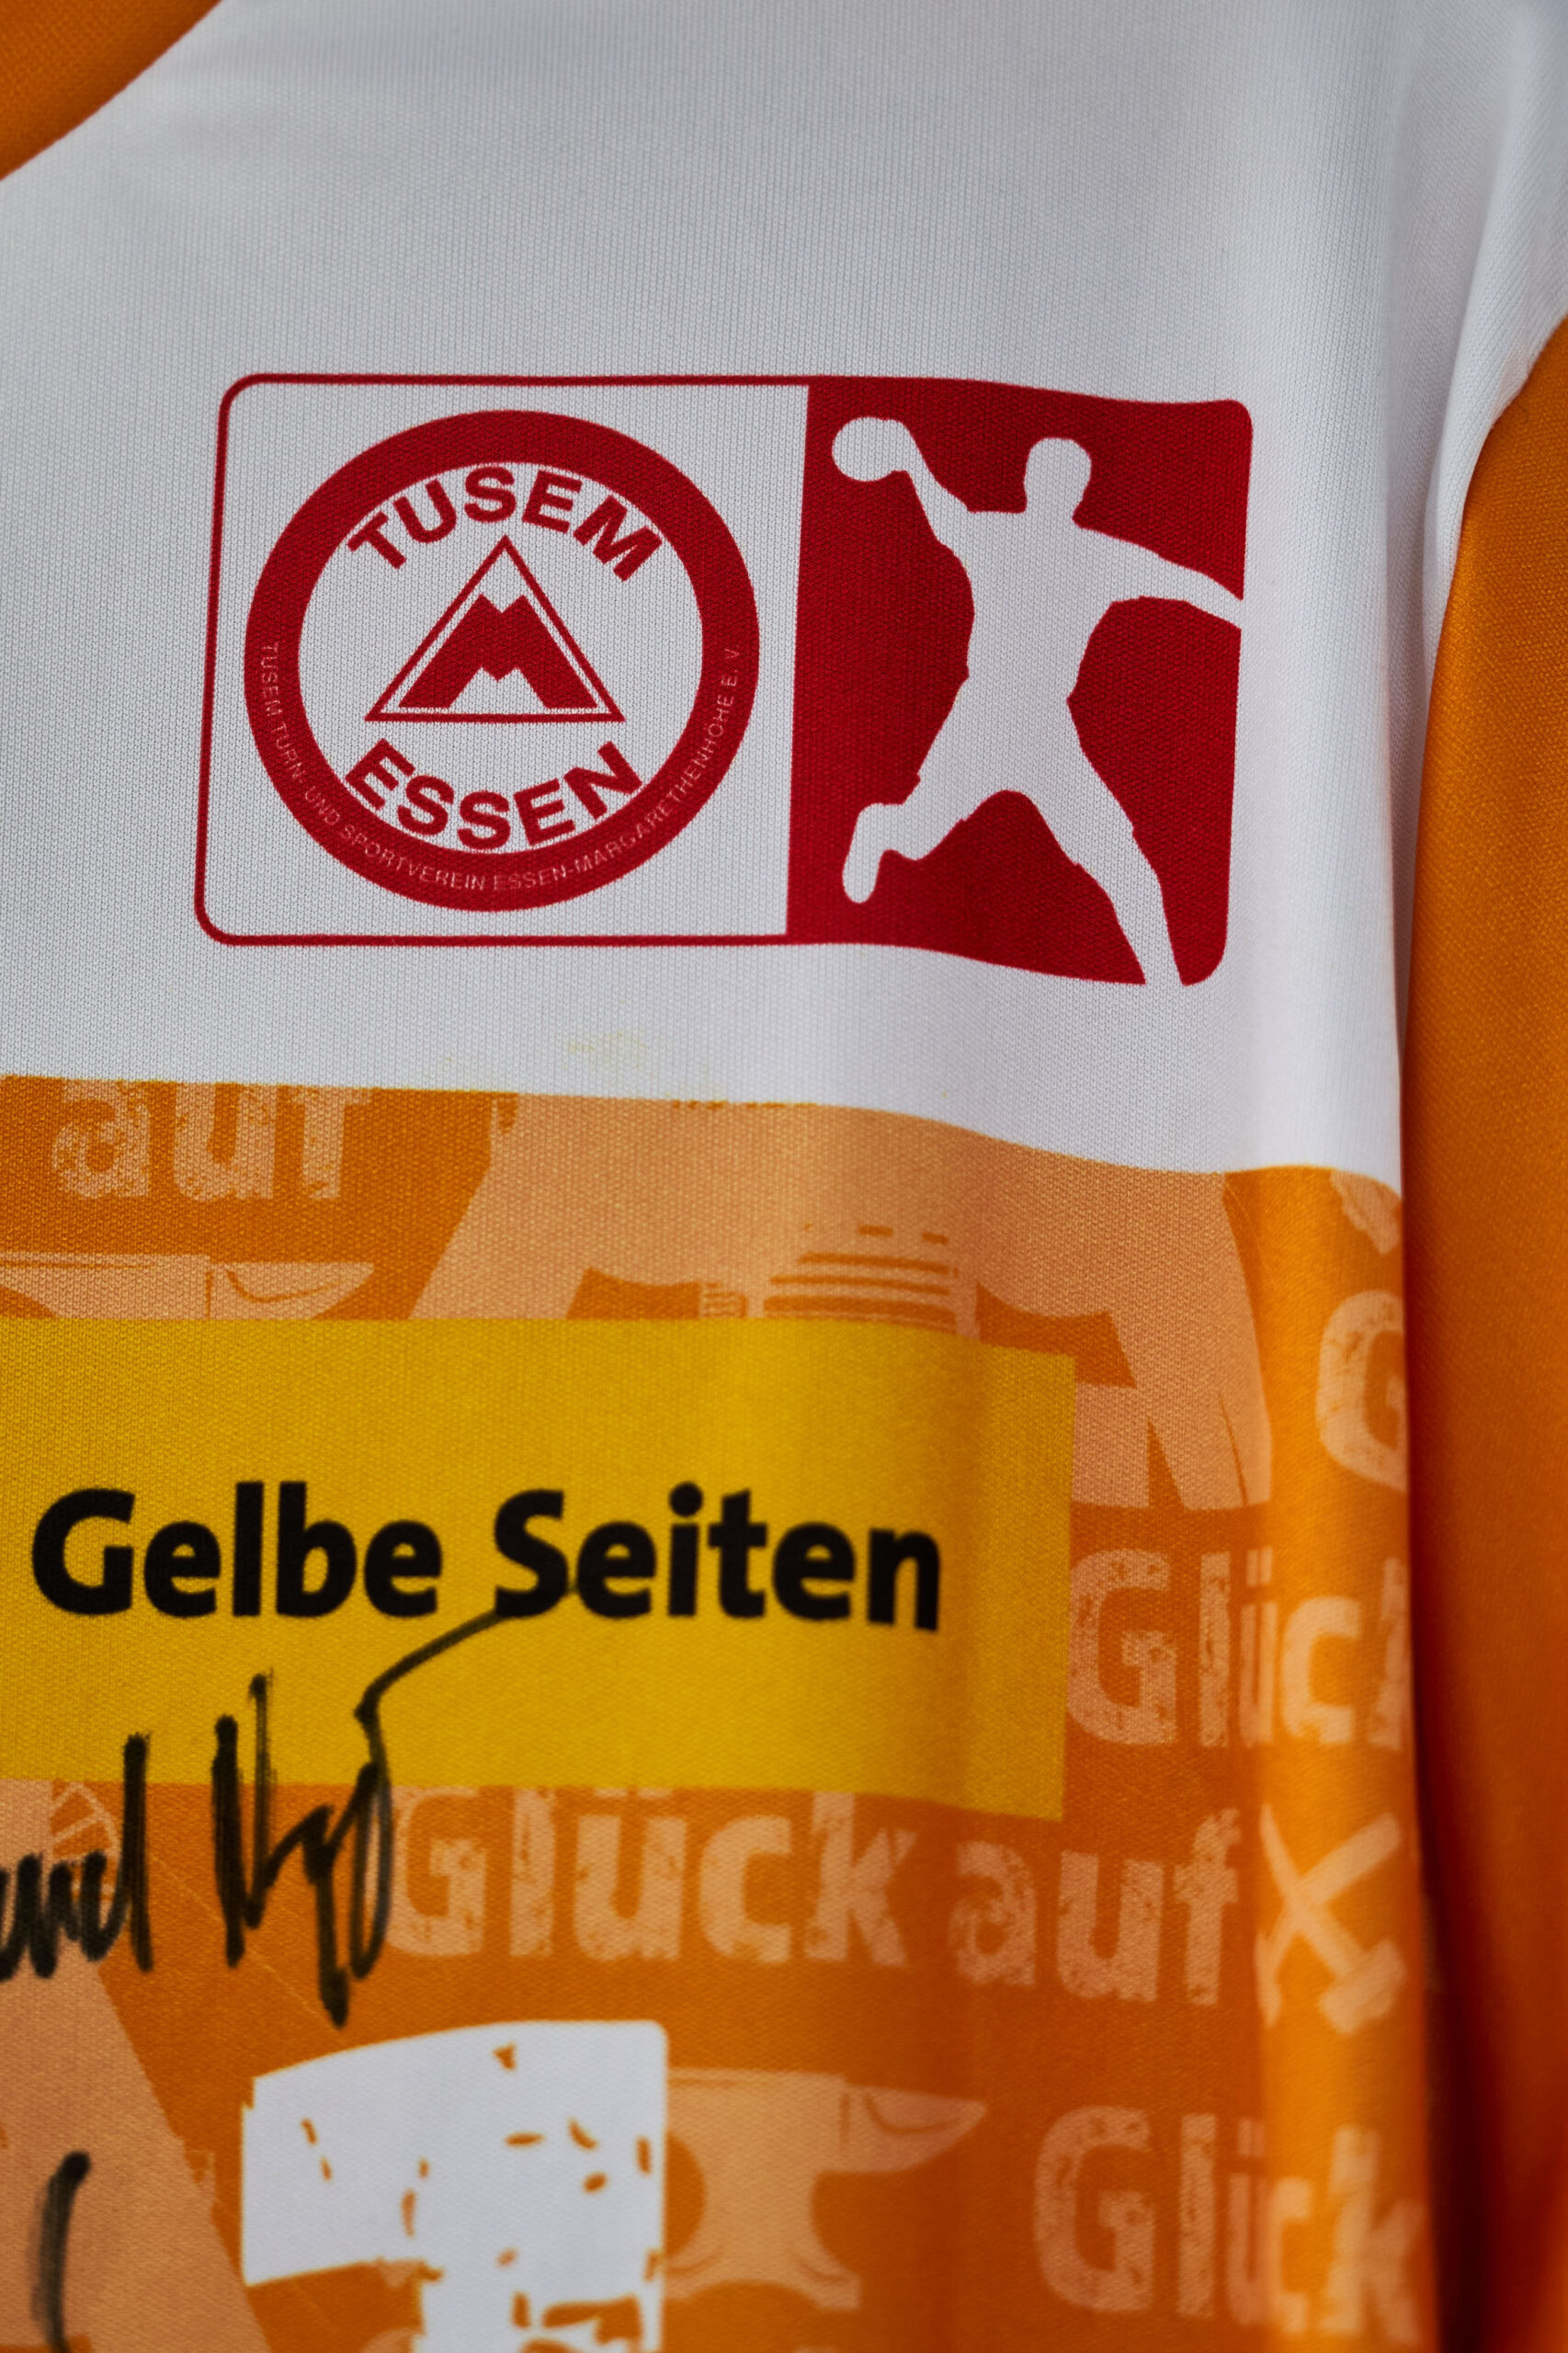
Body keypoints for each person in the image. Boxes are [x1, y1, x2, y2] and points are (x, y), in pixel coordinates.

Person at [835, 417, 1242, 985]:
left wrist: (1244, 613)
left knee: (1121, 864)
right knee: (915, 837)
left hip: (1046, 727)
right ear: (1030, 482)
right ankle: (877, 828)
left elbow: (1180, 581)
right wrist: (909, 460)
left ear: (1079, 492)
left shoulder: (1098, 554)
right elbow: (945, 516)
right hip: (982, 714)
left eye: (1067, 481)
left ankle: (1167, 985)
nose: (1056, 488)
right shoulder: (994, 534)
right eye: (1049, 477)